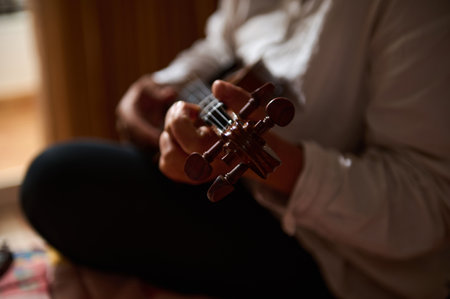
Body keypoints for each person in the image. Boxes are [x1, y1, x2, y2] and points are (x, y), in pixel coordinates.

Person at [20, 0, 450, 298]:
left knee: (56, 178)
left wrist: (277, 166)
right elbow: (221, 45)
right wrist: (161, 88)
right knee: (59, 179)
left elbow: (429, 211)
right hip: (228, 174)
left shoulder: (414, 12)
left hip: (331, 251)